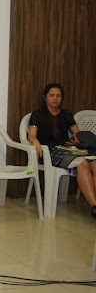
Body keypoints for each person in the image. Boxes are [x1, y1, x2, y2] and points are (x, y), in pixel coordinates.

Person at [28, 83, 96, 218]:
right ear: (45, 97)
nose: (55, 98)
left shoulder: (66, 114)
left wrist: (76, 140)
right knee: (82, 163)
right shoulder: (38, 115)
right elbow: (32, 135)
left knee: (95, 163)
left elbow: (78, 134)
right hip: (49, 152)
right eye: (52, 95)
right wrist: (35, 141)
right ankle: (94, 207)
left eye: (58, 96)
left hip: (67, 149)